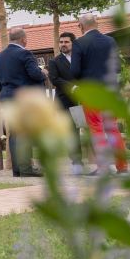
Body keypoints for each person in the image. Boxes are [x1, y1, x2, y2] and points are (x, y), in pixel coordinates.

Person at [71, 14, 128, 175]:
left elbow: (74, 71)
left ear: (81, 26)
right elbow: (117, 67)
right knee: (113, 129)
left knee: (96, 128)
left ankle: (103, 167)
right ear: (97, 23)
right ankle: (122, 166)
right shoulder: (110, 41)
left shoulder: (79, 43)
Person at [0, 27, 48, 177]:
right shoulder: (25, 53)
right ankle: (26, 169)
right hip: (23, 99)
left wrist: (7, 92)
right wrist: (43, 72)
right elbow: (35, 74)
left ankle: (17, 169)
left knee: (14, 134)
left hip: (6, 98)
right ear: (23, 39)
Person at [47, 31, 85, 174]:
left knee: (85, 131)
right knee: (70, 133)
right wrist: (73, 87)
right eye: (61, 42)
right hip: (64, 102)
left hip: (82, 100)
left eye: (66, 42)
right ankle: (76, 164)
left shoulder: (80, 59)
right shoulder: (54, 61)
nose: (63, 44)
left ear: (72, 43)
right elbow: (55, 79)